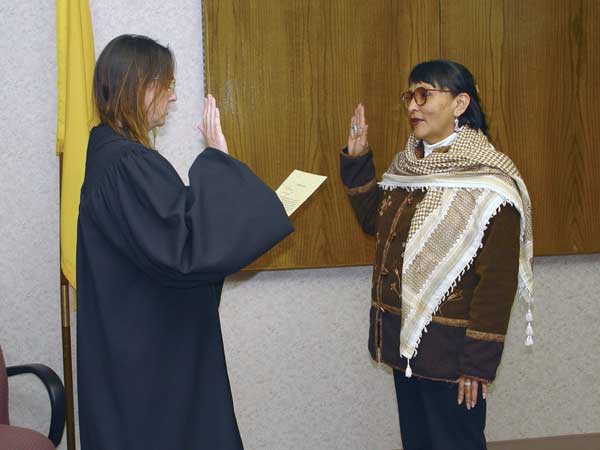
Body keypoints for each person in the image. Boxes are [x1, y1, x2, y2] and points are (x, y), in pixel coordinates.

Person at [76, 34, 293, 450]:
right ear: (141, 85)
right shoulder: (127, 164)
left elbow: (167, 236)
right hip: (155, 361)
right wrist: (218, 160)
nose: (173, 98)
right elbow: (186, 250)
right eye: (168, 84)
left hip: (140, 346)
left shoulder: (111, 155)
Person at [339, 60, 533, 450]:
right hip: (406, 345)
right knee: (418, 442)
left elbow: (497, 283)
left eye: (424, 94)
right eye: (409, 95)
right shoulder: (409, 166)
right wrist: (359, 163)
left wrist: (477, 365)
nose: (413, 105)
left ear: (460, 103)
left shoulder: (491, 183)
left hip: (453, 355)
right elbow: (378, 227)